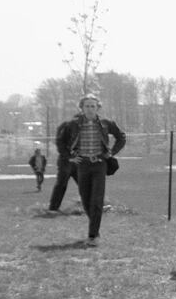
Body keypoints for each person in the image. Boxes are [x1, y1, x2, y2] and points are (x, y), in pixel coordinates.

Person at [55, 94, 126, 246]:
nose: (90, 109)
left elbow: (121, 137)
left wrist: (111, 152)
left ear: (98, 108)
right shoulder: (72, 124)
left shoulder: (106, 123)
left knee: (97, 199)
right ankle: (95, 228)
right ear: (81, 108)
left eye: (93, 106)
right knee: (86, 199)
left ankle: (93, 236)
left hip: (99, 164)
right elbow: (60, 141)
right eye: (86, 106)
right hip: (82, 165)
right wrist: (69, 157)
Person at [47, 121, 79, 214]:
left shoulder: (86, 126)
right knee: (61, 184)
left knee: (85, 185)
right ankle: (53, 208)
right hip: (66, 161)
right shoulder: (67, 126)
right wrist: (69, 157)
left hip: (78, 161)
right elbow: (60, 144)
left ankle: (94, 206)